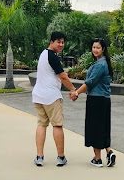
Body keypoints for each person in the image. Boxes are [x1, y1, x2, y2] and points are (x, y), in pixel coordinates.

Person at [32, 31, 78, 167]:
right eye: (58, 42)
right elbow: (62, 76)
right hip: (51, 97)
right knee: (57, 125)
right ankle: (60, 157)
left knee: (41, 125)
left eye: (63, 42)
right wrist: (73, 90)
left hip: (38, 96)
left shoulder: (43, 54)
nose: (61, 44)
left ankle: (39, 157)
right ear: (51, 42)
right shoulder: (52, 56)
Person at [69, 39, 116, 168]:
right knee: (103, 127)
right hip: (104, 99)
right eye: (94, 47)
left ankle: (98, 159)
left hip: (96, 100)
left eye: (98, 48)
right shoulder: (102, 63)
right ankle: (109, 152)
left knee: (95, 128)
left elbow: (90, 82)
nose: (95, 49)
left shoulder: (100, 65)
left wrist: (76, 93)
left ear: (103, 49)